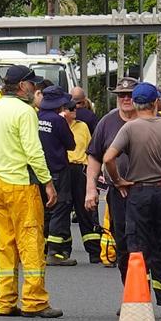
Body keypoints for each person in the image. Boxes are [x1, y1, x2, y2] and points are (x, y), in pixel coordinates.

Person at [101, 82, 161, 321]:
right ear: (156, 103)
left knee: (138, 248)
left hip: (138, 194)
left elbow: (108, 157)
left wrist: (118, 180)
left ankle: (141, 301)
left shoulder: (130, 129)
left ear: (136, 104)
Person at [0, 64, 60, 318]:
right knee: (31, 242)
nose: (35, 89)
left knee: (6, 244)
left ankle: (5, 301)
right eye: (33, 84)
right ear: (23, 86)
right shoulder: (25, 112)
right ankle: (34, 301)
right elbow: (33, 151)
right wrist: (47, 182)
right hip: (20, 184)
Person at [84, 77, 140, 283]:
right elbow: (94, 156)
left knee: (150, 243)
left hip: (147, 192)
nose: (125, 99)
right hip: (119, 194)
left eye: (130, 95)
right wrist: (91, 189)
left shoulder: (152, 120)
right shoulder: (107, 122)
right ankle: (131, 293)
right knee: (123, 242)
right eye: (121, 95)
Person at [37, 86, 78, 266]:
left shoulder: (35, 118)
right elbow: (71, 145)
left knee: (44, 210)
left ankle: (42, 249)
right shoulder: (58, 121)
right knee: (60, 208)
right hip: (58, 171)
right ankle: (55, 251)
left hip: (39, 171)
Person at [62, 96, 102, 264]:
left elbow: (89, 148)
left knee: (86, 211)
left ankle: (94, 251)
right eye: (71, 109)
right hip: (64, 168)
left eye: (75, 109)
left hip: (80, 169)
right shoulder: (59, 125)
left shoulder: (83, 126)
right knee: (62, 210)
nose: (74, 112)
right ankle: (62, 250)